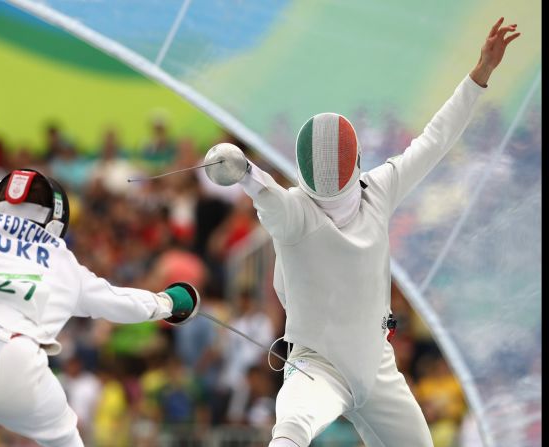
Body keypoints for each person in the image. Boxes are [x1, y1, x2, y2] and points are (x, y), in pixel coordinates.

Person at [203, 18, 520, 447]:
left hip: (377, 369)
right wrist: (245, 171)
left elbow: (433, 142)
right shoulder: (302, 210)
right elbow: (266, 192)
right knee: (291, 432)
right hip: (318, 369)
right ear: (355, 165)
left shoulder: (367, 193)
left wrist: (242, 170)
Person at [0, 168, 199, 447]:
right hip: (17, 365)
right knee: (67, 438)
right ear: (56, 217)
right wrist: (170, 302)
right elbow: (119, 303)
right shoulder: (62, 259)